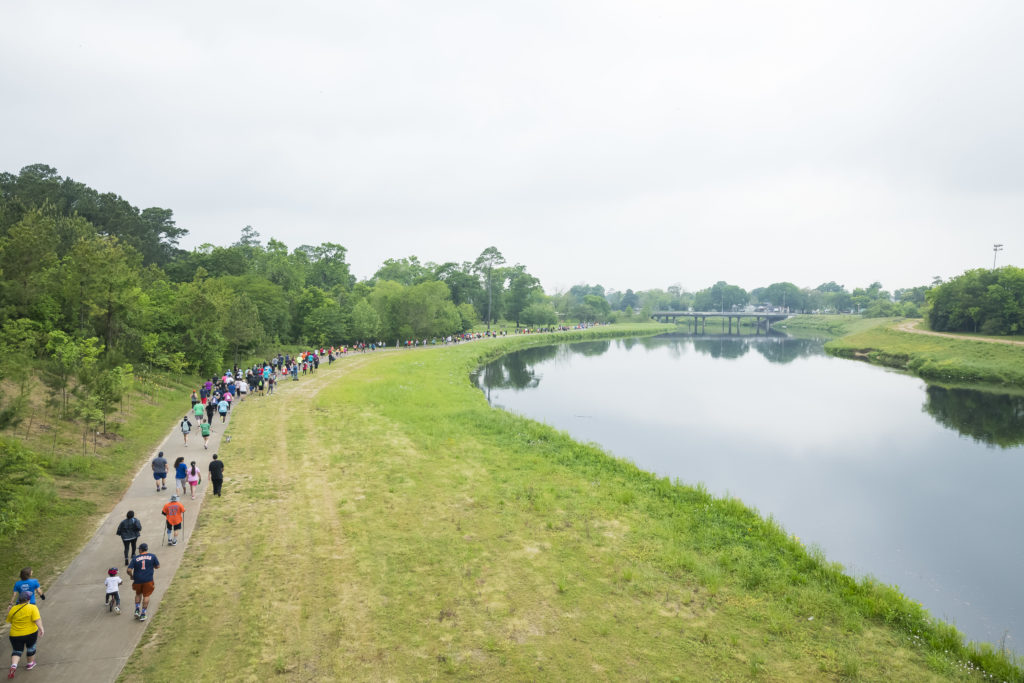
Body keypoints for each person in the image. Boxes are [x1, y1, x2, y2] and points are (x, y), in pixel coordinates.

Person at [6, 591, 42, 677]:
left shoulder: (13, 609)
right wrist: (41, 628)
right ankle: (30, 664)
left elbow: (10, 621)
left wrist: (9, 612)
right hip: (31, 633)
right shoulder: (33, 607)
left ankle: (14, 665)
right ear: (28, 599)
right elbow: (37, 619)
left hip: (15, 635)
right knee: (30, 648)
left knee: (17, 651)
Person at [126, 542, 159, 621]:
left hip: (137, 580)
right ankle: (143, 614)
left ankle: (137, 609)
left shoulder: (135, 558)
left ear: (140, 550)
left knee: (138, 594)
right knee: (146, 596)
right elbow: (157, 566)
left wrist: (131, 576)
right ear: (146, 549)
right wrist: (152, 566)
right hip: (148, 580)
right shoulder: (152, 556)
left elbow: (129, 570)